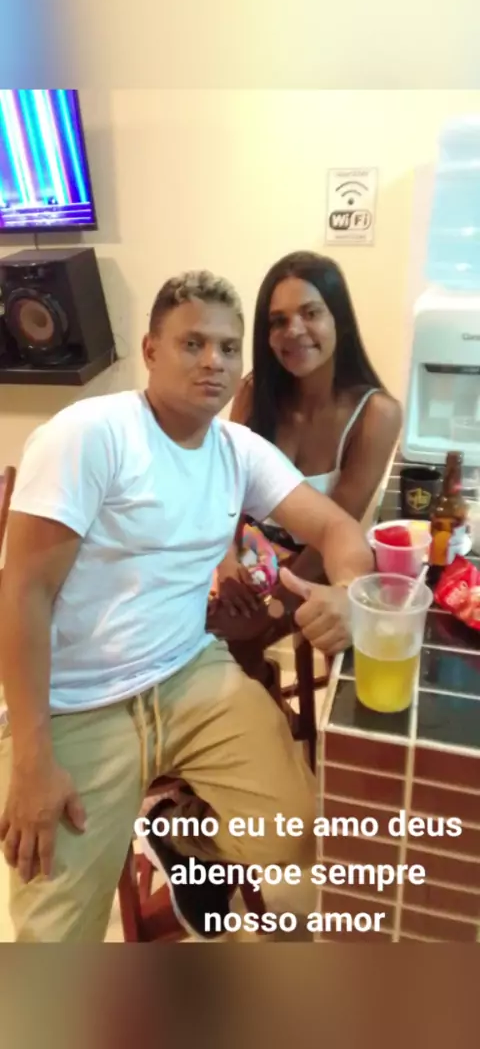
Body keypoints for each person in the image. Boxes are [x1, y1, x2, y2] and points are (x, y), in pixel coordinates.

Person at [0, 270, 374, 944]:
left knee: (299, 840)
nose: (214, 362)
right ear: (150, 350)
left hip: (188, 672)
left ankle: (184, 838)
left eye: (228, 348)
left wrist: (348, 594)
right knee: (54, 935)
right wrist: (31, 761)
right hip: (76, 701)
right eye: (193, 343)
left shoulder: (237, 450)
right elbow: (22, 592)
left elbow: (339, 530)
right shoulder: (89, 434)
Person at [215, 251, 402, 628]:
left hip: (318, 575)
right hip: (247, 561)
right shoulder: (253, 392)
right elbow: (226, 492)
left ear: (340, 321)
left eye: (311, 313)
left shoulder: (376, 414)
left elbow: (333, 533)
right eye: (278, 321)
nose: (294, 330)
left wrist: (273, 608)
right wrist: (225, 562)